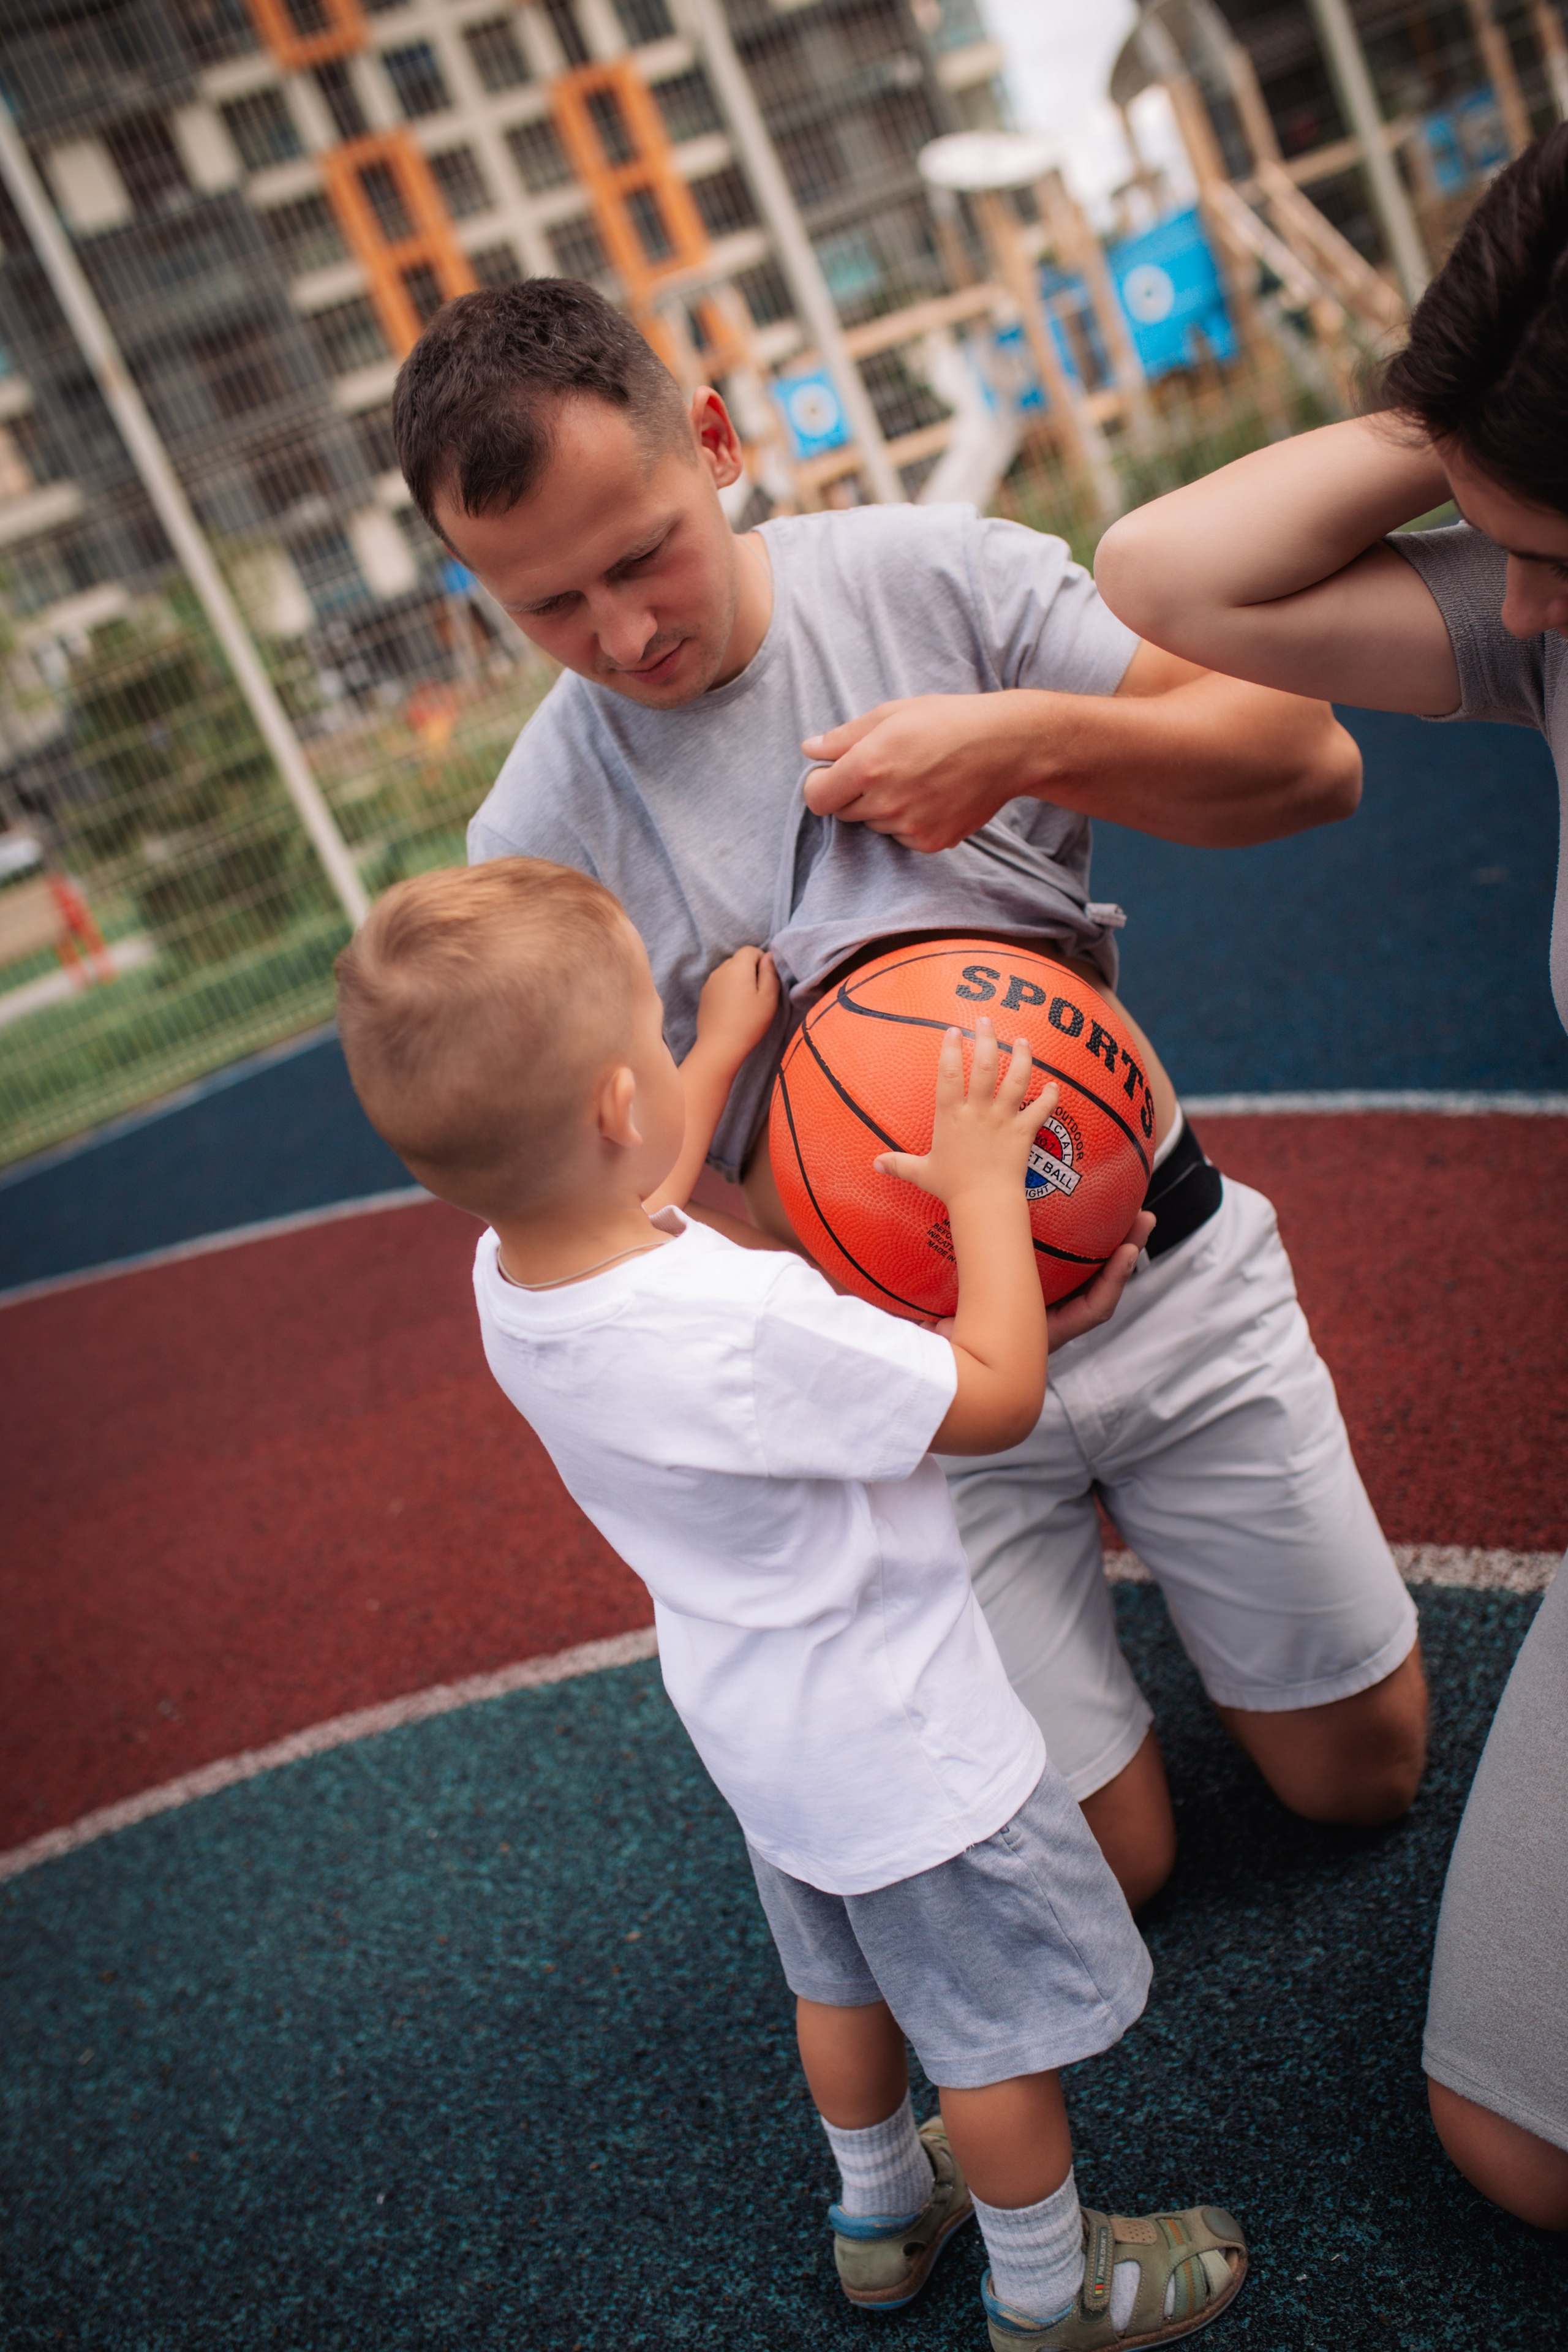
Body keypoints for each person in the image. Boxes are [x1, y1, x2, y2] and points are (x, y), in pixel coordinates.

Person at [390, 279, 1429, 1918]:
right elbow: (591, 1216)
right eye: (549, 606)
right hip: (910, 1385)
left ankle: (1183, 1579)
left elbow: (1310, 765)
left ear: (716, 442)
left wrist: (1022, 745)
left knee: (1362, 1779)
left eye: (644, 549)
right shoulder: (539, 836)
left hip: (1158, 1260)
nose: (623, 632)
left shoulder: (930, 573)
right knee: (1114, 1870)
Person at [332, 853, 1248, 2350]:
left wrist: (713, 1044)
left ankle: (879, 2215)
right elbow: (994, 1394)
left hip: (767, 1741)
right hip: (910, 1740)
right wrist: (979, 1202)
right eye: (648, 1033)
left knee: (841, 1988)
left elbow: (624, 1176)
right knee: (988, 2040)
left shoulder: (513, 1275)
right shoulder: (747, 1323)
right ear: (620, 1113)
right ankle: (1049, 2285)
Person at [1092, 126, 1568, 2231]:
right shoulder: (1557, 631)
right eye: (1502, 537)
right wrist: (1453, 419)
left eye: (1551, 543)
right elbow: (1173, 575)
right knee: (1516, 2138)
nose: (1519, 593)